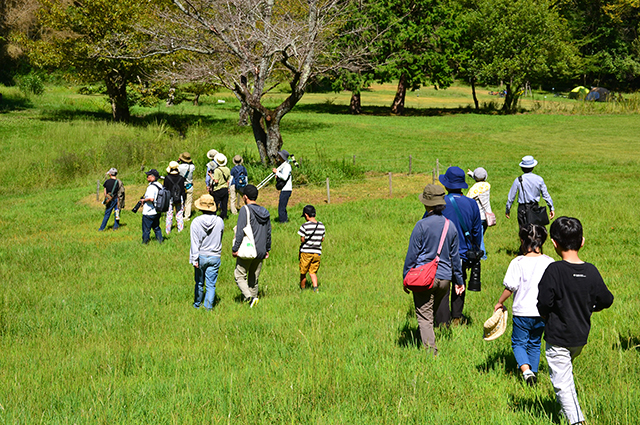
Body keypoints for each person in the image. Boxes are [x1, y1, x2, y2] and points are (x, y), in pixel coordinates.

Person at [537, 217, 613, 425]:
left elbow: (543, 302)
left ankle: (577, 421)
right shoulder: (591, 271)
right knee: (565, 375)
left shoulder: (554, 270)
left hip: (558, 337)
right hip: (580, 337)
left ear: (553, 243)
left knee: (561, 382)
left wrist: (546, 315)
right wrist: (590, 307)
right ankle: (569, 411)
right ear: (582, 241)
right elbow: (607, 299)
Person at [404, 184, 464, 355]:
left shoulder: (421, 225)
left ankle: (432, 353)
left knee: (424, 317)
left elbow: (411, 256)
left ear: (426, 203)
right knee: (429, 314)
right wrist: (459, 281)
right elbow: (456, 258)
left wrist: (405, 277)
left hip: (424, 278)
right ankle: (426, 339)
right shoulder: (450, 225)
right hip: (445, 280)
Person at [493, 224, 554, 385]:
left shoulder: (518, 262)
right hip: (542, 312)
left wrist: (500, 302)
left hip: (522, 311)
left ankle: (526, 372)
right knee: (535, 343)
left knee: (518, 343)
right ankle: (532, 373)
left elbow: (510, 287)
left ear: (522, 241)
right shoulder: (550, 262)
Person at [427, 166, 482, 326]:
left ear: (446, 185)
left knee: (443, 286)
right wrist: (475, 250)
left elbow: (427, 223)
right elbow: (476, 230)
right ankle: (457, 317)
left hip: (441, 253)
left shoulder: (440, 202)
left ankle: (442, 322)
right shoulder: (472, 204)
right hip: (464, 252)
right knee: (460, 282)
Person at [232, 184, 271, 306]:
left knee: (239, 275)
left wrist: (235, 248)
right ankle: (253, 302)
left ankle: (249, 298)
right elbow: (268, 232)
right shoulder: (265, 211)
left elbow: (240, 231)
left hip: (248, 249)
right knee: (253, 278)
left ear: (245, 197)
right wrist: (267, 248)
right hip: (261, 249)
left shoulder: (245, 210)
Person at [190, 194, 224, 310]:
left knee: (199, 283)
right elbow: (220, 237)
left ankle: (197, 304)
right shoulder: (219, 221)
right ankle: (208, 308)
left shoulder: (196, 222)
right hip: (215, 256)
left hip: (200, 256)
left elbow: (194, 242)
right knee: (211, 285)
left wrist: (194, 259)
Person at [506, 155, 555, 228]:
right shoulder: (539, 179)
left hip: (522, 209)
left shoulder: (518, 180)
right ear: (533, 167)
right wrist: (551, 208)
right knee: (536, 230)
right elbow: (546, 195)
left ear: (522, 168)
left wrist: (508, 208)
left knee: (524, 231)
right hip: (535, 207)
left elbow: (511, 197)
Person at [298, 205, 326, 292]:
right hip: (317, 252)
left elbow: (302, 239)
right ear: (315, 214)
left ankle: (302, 289)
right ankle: (315, 288)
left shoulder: (304, 226)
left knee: (303, 272)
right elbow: (322, 239)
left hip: (306, 252)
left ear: (306, 215)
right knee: (312, 272)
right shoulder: (321, 226)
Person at [466, 167, 493, 234]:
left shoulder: (473, 190)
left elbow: (467, 201)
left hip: (477, 217)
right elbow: (481, 182)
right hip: (487, 216)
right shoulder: (487, 186)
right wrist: (472, 174)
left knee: (479, 241)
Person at [140, 169, 163, 244]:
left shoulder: (151, 187)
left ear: (153, 177)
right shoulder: (159, 185)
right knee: (156, 227)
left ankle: (145, 242)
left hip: (149, 212)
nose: (147, 177)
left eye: (148, 175)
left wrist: (143, 200)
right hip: (157, 210)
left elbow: (151, 198)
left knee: (146, 229)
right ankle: (160, 241)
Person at [164, 161, 186, 233]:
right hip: (179, 198)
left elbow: (165, 189)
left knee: (169, 214)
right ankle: (180, 229)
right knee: (179, 214)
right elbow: (183, 190)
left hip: (170, 198)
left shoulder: (167, 178)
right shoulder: (181, 178)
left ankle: (168, 230)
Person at [209, 153, 231, 219]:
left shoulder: (217, 170)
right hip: (225, 189)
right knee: (224, 204)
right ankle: (224, 216)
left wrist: (211, 176)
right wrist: (228, 188)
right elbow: (228, 180)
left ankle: (213, 216)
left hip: (218, 189)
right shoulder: (227, 169)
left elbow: (216, 181)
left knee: (215, 204)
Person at [273, 149, 292, 223]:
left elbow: (284, 177)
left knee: (281, 207)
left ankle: (283, 221)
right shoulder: (284, 165)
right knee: (282, 206)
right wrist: (278, 176)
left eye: (280, 156)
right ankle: (285, 220)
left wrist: (277, 172)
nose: (279, 157)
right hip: (285, 189)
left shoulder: (287, 166)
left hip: (286, 189)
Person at [177, 152, 195, 221]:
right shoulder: (192, 167)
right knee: (188, 202)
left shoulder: (179, 167)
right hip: (189, 186)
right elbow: (192, 164)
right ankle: (187, 216)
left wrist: (178, 161)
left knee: (181, 201)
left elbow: (171, 168)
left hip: (181, 186)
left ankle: (180, 214)